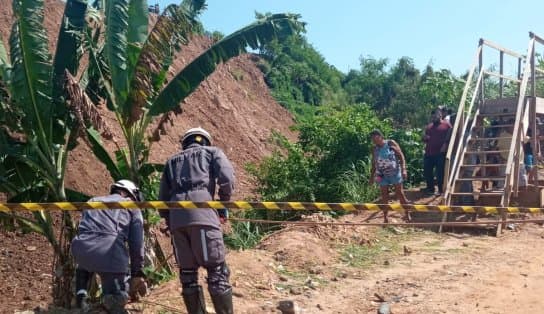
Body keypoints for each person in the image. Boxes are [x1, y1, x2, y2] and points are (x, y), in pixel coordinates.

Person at [159, 127, 235, 314]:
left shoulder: (170, 162)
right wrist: (222, 203)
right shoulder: (212, 152)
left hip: (177, 220)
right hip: (203, 216)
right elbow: (227, 178)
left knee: (187, 275)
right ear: (205, 141)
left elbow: (162, 198)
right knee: (217, 271)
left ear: (185, 142)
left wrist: (170, 221)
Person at [71, 179, 146, 313]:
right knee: (115, 298)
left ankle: (80, 297)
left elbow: (85, 229)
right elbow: (137, 244)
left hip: (80, 249)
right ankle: (111, 300)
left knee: (85, 263)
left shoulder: (93, 201)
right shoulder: (132, 206)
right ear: (130, 193)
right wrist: (137, 272)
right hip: (108, 253)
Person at [369, 129, 411, 223]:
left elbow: (401, 156)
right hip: (382, 174)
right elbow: (374, 163)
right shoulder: (374, 149)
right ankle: (385, 217)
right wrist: (371, 177)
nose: (374, 141)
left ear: (381, 136)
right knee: (384, 195)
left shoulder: (390, 143)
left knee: (399, 193)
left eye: (376, 138)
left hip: (395, 172)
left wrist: (404, 169)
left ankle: (407, 213)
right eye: (373, 139)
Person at [423, 109, 452, 195]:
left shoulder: (447, 125)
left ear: (440, 115)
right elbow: (426, 139)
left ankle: (440, 190)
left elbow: (451, 136)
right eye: (432, 116)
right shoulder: (429, 126)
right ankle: (431, 189)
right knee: (427, 171)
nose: (434, 117)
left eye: (435, 115)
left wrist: (446, 145)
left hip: (440, 153)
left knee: (440, 173)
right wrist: (424, 138)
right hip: (428, 153)